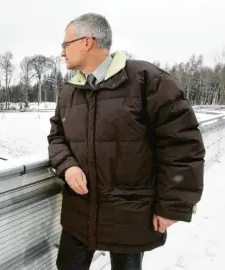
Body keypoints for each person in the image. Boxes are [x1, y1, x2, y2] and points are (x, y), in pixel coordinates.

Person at [47, 12, 205, 270]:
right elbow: (57, 136)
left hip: (130, 214)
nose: (62, 52)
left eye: (65, 45)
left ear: (87, 42)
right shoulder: (69, 91)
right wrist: (68, 165)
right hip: (79, 213)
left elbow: (182, 144)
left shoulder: (146, 80)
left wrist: (172, 207)